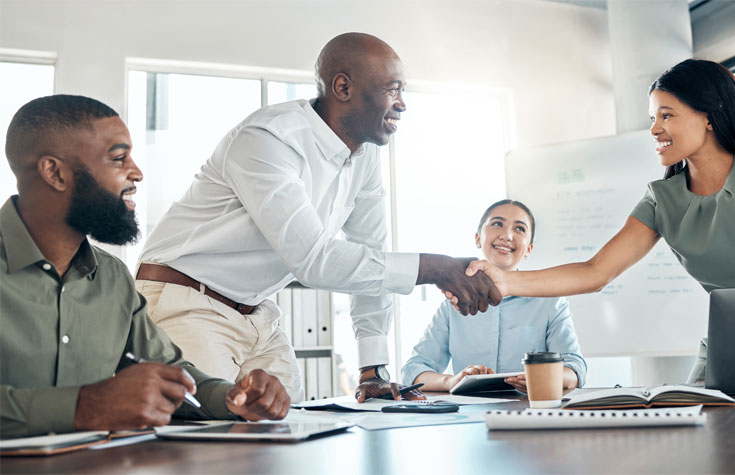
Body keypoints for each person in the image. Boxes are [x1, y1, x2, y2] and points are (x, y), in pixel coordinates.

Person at [135, 32, 500, 403]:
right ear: (343, 86)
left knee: (288, 431)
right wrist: (437, 268)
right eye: (392, 90)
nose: (402, 104)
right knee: (204, 445)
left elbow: (368, 252)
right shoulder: (268, 139)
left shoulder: (364, 156)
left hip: (256, 315)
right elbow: (315, 259)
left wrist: (372, 369)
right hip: (187, 302)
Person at [460, 59, 735, 383]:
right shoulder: (662, 199)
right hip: (728, 352)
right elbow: (597, 271)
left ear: (709, 117)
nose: (654, 129)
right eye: (652, 117)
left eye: (667, 115)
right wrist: (506, 281)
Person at [0, 95, 289, 439]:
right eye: (119, 158)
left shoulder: (111, 278)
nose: (136, 172)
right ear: (55, 173)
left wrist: (232, 397)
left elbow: (170, 370)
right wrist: (84, 407)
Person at [401, 200, 586, 392]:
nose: (506, 235)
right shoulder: (454, 304)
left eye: (520, 229)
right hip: (469, 415)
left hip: (529, 412)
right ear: (478, 238)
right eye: (497, 223)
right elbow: (413, 370)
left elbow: (575, 371)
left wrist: (541, 378)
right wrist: (452, 381)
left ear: (529, 249)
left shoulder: (551, 302)